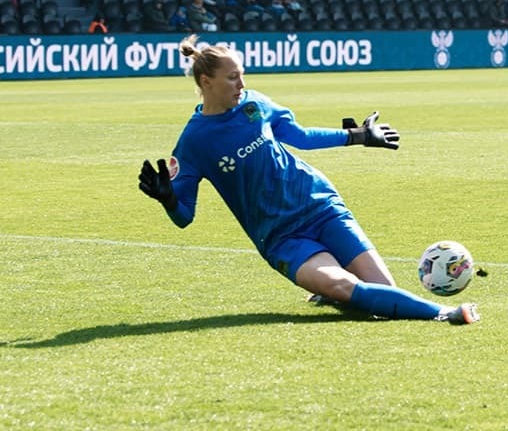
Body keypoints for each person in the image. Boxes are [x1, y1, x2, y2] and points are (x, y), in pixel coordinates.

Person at [137, 37, 478, 324]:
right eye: (232, 78)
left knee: (382, 291)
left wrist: (357, 136)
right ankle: (445, 313)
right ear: (206, 82)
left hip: (319, 206)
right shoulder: (194, 141)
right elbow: (184, 217)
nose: (242, 85)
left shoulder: (254, 104)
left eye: (241, 76)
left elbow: (299, 136)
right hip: (281, 237)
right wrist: (168, 199)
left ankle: (328, 293)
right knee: (346, 288)